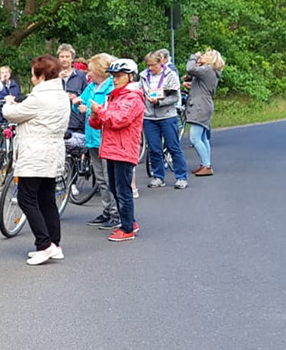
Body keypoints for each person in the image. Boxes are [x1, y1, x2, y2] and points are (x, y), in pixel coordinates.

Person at [2, 55, 69, 266]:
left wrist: (7, 103)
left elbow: (13, 114)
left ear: (41, 76)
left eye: (33, 74)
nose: (31, 78)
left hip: (35, 154)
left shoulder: (39, 97)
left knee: (26, 199)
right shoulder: (61, 95)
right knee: (46, 199)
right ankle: (55, 244)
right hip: (52, 152)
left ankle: (44, 244)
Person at [88, 58, 145, 241]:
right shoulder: (114, 96)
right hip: (111, 148)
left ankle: (128, 228)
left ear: (130, 77)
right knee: (114, 187)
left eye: (119, 76)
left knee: (123, 189)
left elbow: (120, 119)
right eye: (113, 76)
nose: (115, 79)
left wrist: (101, 112)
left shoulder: (132, 98)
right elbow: (101, 122)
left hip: (124, 149)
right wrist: (95, 115)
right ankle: (129, 222)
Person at [78, 53, 119, 229]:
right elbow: (82, 102)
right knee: (101, 178)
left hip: (106, 138)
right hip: (92, 138)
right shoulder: (92, 87)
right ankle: (106, 210)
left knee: (110, 178)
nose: (88, 74)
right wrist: (77, 103)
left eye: (91, 71)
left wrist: (87, 109)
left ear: (101, 71)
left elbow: (105, 111)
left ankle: (116, 214)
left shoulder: (111, 88)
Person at [140, 51, 189, 189]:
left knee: (173, 146)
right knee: (154, 148)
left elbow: (175, 97)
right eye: (148, 65)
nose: (150, 68)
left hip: (167, 116)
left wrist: (160, 102)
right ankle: (158, 176)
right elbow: (139, 91)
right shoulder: (144, 76)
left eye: (153, 65)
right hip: (149, 117)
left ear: (160, 63)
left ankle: (181, 177)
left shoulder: (170, 75)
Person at [185, 49, 225, 176]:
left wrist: (193, 57)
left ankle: (206, 165)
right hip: (205, 103)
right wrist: (192, 86)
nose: (202, 55)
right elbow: (204, 86)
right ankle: (205, 163)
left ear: (212, 59)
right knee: (203, 137)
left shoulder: (207, 69)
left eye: (206, 55)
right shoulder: (212, 72)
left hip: (200, 106)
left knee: (195, 137)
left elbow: (190, 69)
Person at [58, 43, 89, 149]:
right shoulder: (53, 76)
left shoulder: (80, 76)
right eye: (62, 57)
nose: (64, 59)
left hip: (76, 121)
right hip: (58, 119)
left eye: (67, 57)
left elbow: (87, 95)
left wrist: (77, 98)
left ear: (72, 59)